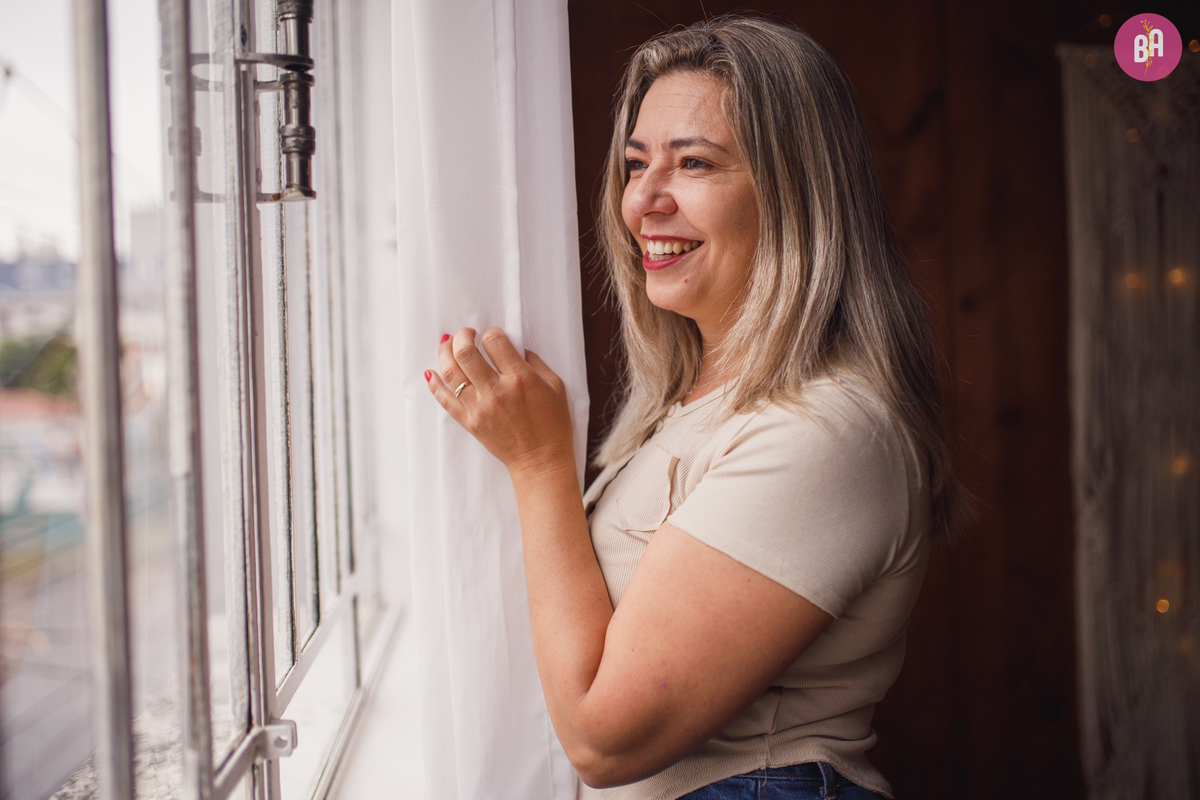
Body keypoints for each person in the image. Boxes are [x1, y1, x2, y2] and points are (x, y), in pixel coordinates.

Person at [424, 15, 970, 800]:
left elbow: (605, 740)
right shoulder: (694, 401)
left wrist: (540, 461)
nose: (642, 199)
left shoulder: (827, 430)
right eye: (636, 162)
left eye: (696, 164)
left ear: (796, 195)